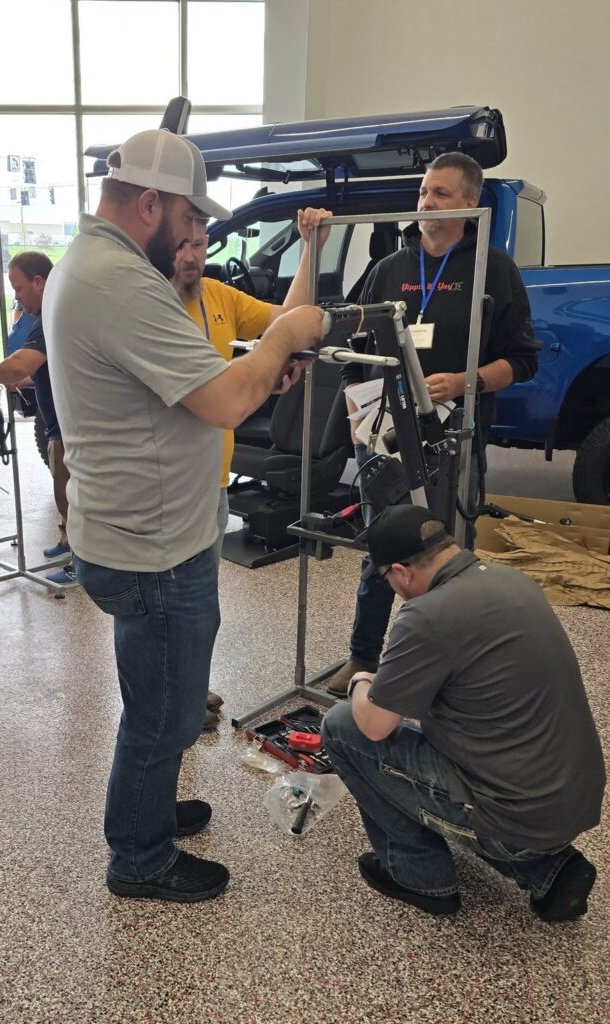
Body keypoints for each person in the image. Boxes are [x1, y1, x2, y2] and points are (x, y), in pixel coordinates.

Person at [43, 128, 329, 903]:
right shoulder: (119, 281)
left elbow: (206, 387)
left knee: (161, 695)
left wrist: (262, 364)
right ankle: (138, 857)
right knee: (163, 717)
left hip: (149, 529)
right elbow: (226, 397)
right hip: (152, 547)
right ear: (149, 203)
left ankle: (153, 812)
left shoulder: (97, 265)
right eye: (189, 216)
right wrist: (282, 339)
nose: (195, 233)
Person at [321, 503, 605, 921]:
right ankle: (550, 868)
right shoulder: (514, 580)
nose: (393, 590)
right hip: (569, 800)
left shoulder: (426, 616)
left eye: (386, 580)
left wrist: (362, 680)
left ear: (400, 571)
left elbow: (375, 726)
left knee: (342, 726)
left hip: (514, 817)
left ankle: (419, 876)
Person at [327, 152, 540, 697]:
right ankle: (361, 658)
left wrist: (464, 380)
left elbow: (522, 361)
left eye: (441, 194)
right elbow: (352, 348)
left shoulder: (494, 269)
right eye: (424, 192)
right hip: (387, 437)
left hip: (454, 438)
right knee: (385, 547)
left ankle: (449, 669)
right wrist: (356, 402)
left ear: (470, 203)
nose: (426, 202)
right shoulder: (390, 268)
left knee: (446, 553)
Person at [171, 211, 332, 728]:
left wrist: (311, 245)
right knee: (173, 610)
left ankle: (189, 690)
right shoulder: (148, 308)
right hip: (169, 488)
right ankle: (174, 707)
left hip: (211, 483)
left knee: (201, 610)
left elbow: (289, 317)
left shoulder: (218, 296)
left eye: (199, 244)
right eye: (181, 245)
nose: (191, 255)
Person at [0, 251, 75, 586]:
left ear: (39, 282)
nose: (16, 296)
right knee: (64, 493)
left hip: (70, 428)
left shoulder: (55, 314)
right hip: (57, 423)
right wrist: (23, 380)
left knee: (73, 496)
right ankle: (68, 541)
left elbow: (20, 363)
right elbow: (43, 366)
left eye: (19, 288)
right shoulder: (49, 314)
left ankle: (81, 564)